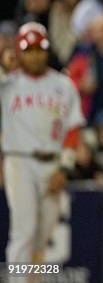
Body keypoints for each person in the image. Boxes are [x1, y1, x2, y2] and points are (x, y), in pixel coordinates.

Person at [1, 22, 85, 276]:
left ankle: (32, 280)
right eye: (29, 50)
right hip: (19, 161)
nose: (35, 55)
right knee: (24, 230)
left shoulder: (63, 85)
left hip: (52, 163)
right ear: (19, 52)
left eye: (40, 49)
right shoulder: (7, 84)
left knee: (43, 234)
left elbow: (72, 130)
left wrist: (65, 169)